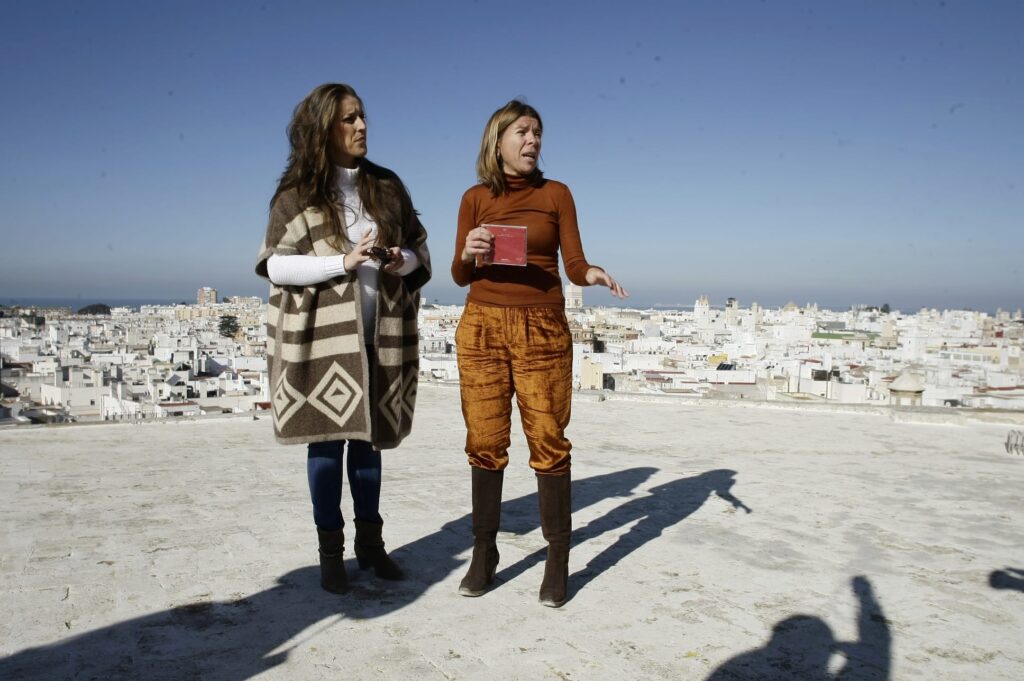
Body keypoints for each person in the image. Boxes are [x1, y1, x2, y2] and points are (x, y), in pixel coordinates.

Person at [451, 100, 628, 607]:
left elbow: (572, 262)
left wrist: (591, 273)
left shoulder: (557, 194)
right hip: (481, 325)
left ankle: (557, 557)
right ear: (498, 141)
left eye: (537, 133)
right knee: (484, 441)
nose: (533, 141)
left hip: (542, 327)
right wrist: (468, 253)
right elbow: (460, 275)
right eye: (522, 132)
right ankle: (484, 553)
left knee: (548, 441)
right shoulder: (473, 198)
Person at [256, 83, 430, 594]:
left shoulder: (388, 186)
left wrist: (402, 259)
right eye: (348, 119)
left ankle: (371, 548)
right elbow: (277, 265)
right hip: (326, 343)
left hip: (383, 337)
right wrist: (344, 262)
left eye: (362, 117)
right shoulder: (297, 196)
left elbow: (420, 250)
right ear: (323, 130)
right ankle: (330, 553)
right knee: (328, 446)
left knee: (370, 446)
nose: (361, 127)